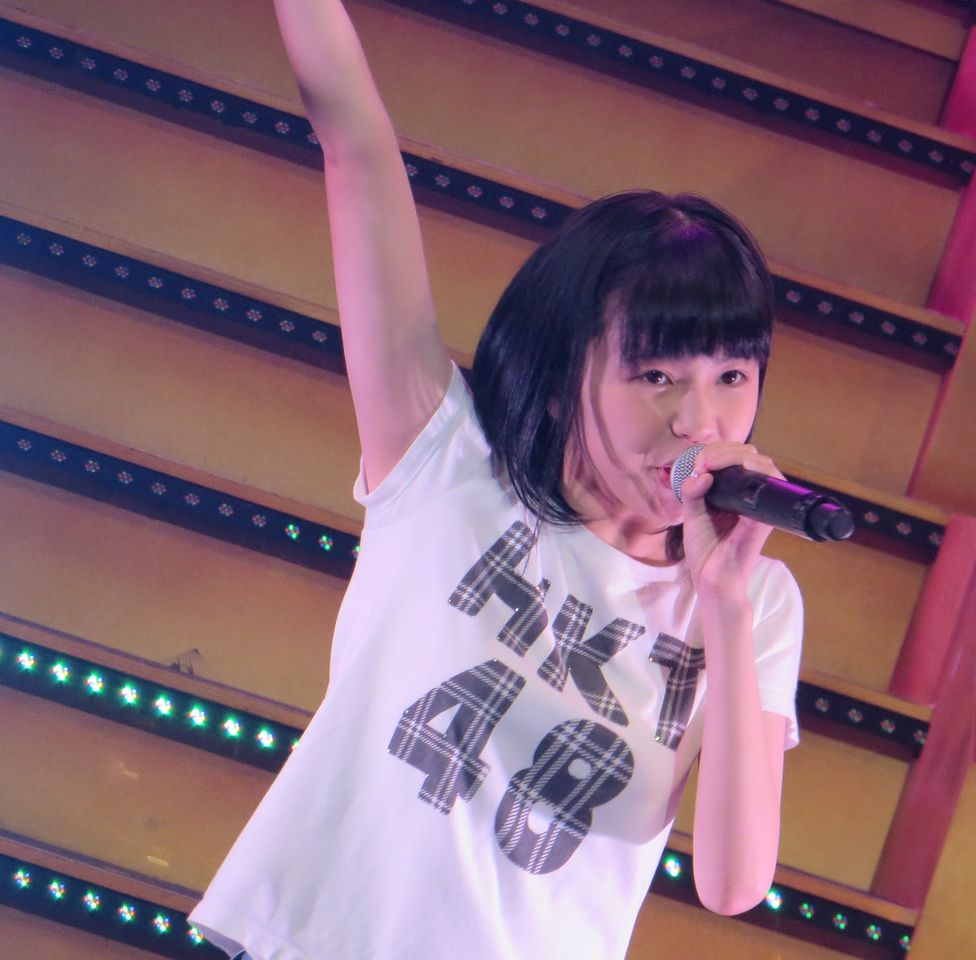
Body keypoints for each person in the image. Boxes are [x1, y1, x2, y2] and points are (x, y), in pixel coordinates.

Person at [189, 2, 803, 958]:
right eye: (655, 375)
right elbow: (354, 144)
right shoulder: (445, 463)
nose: (700, 421)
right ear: (562, 377)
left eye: (731, 376)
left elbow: (734, 883)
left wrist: (721, 603)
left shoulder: (756, 597)